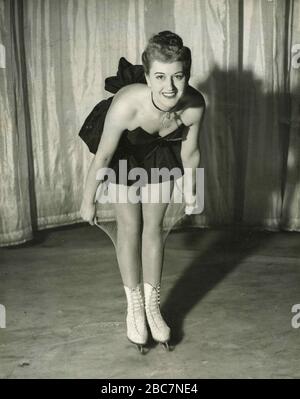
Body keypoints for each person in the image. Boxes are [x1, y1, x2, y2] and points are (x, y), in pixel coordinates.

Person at [79, 31, 205, 353]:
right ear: (147, 76)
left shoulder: (194, 105)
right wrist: (87, 198)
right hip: (124, 151)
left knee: (154, 228)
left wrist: (192, 191)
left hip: (160, 151)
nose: (170, 87)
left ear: (187, 75)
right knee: (130, 228)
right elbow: (104, 156)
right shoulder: (126, 105)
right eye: (160, 76)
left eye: (178, 76)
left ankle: (152, 305)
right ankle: (133, 304)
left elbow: (190, 153)